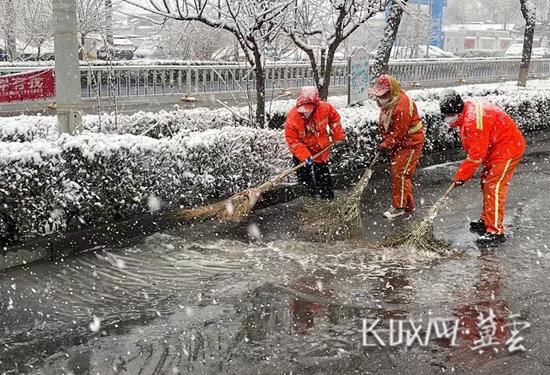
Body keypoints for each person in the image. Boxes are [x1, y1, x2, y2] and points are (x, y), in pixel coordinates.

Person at [439, 89, 526, 246]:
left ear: (456, 111)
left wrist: (460, 177)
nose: (446, 119)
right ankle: (487, 220)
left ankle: (495, 232)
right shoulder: (466, 112)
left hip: (508, 148)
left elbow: (475, 156)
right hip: (496, 148)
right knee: (486, 182)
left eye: (448, 116)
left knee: (494, 185)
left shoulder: (473, 122)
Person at [369, 75, 425, 219]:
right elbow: (389, 129)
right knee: (401, 173)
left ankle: (398, 207)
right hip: (400, 143)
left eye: (383, 95)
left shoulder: (401, 106)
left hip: (411, 143)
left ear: (391, 92)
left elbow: (397, 133)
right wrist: (385, 142)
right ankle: (408, 205)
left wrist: (385, 145)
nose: (379, 98)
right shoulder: (390, 103)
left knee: (400, 173)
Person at [285, 86, 345, 200]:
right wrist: (304, 156)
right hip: (301, 151)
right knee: (304, 177)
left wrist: (337, 136)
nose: (306, 113)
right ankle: (309, 199)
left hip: (320, 149)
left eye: (309, 109)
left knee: (323, 175)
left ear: (316, 105)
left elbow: (335, 119)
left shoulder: (325, 108)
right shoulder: (293, 117)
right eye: (304, 110)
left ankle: (327, 199)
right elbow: (292, 140)